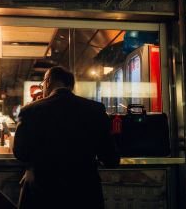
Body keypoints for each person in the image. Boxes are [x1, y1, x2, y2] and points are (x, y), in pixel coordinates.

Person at [13, 66, 119, 209]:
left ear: (48, 81)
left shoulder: (30, 110)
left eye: (42, 84)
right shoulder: (95, 109)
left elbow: (20, 152)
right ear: (70, 86)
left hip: (42, 193)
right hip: (83, 194)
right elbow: (110, 158)